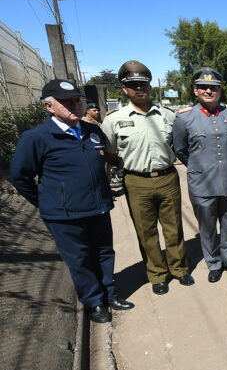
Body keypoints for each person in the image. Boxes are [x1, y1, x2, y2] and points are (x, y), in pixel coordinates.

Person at [9, 79, 134, 323]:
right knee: (79, 260)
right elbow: (20, 177)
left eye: (77, 100)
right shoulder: (36, 138)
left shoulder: (92, 131)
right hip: (64, 216)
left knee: (104, 253)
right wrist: (47, 203)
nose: (75, 105)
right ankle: (94, 302)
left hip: (98, 208)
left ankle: (109, 294)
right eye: (67, 102)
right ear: (49, 107)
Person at [101, 60, 194, 295]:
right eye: (133, 85)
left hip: (167, 179)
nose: (139, 88)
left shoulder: (168, 116)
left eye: (143, 84)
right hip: (136, 182)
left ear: (150, 86)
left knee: (173, 228)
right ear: (125, 89)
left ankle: (179, 269)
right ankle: (157, 275)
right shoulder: (113, 120)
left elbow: (180, 145)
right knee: (147, 232)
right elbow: (109, 153)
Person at [172, 67, 227, 283]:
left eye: (213, 87)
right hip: (202, 183)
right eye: (203, 87)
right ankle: (213, 263)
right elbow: (180, 149)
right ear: (195, 91)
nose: (208, 91)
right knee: (207, 227)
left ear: (219, 91)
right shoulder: (184, 118)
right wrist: (199, 166)